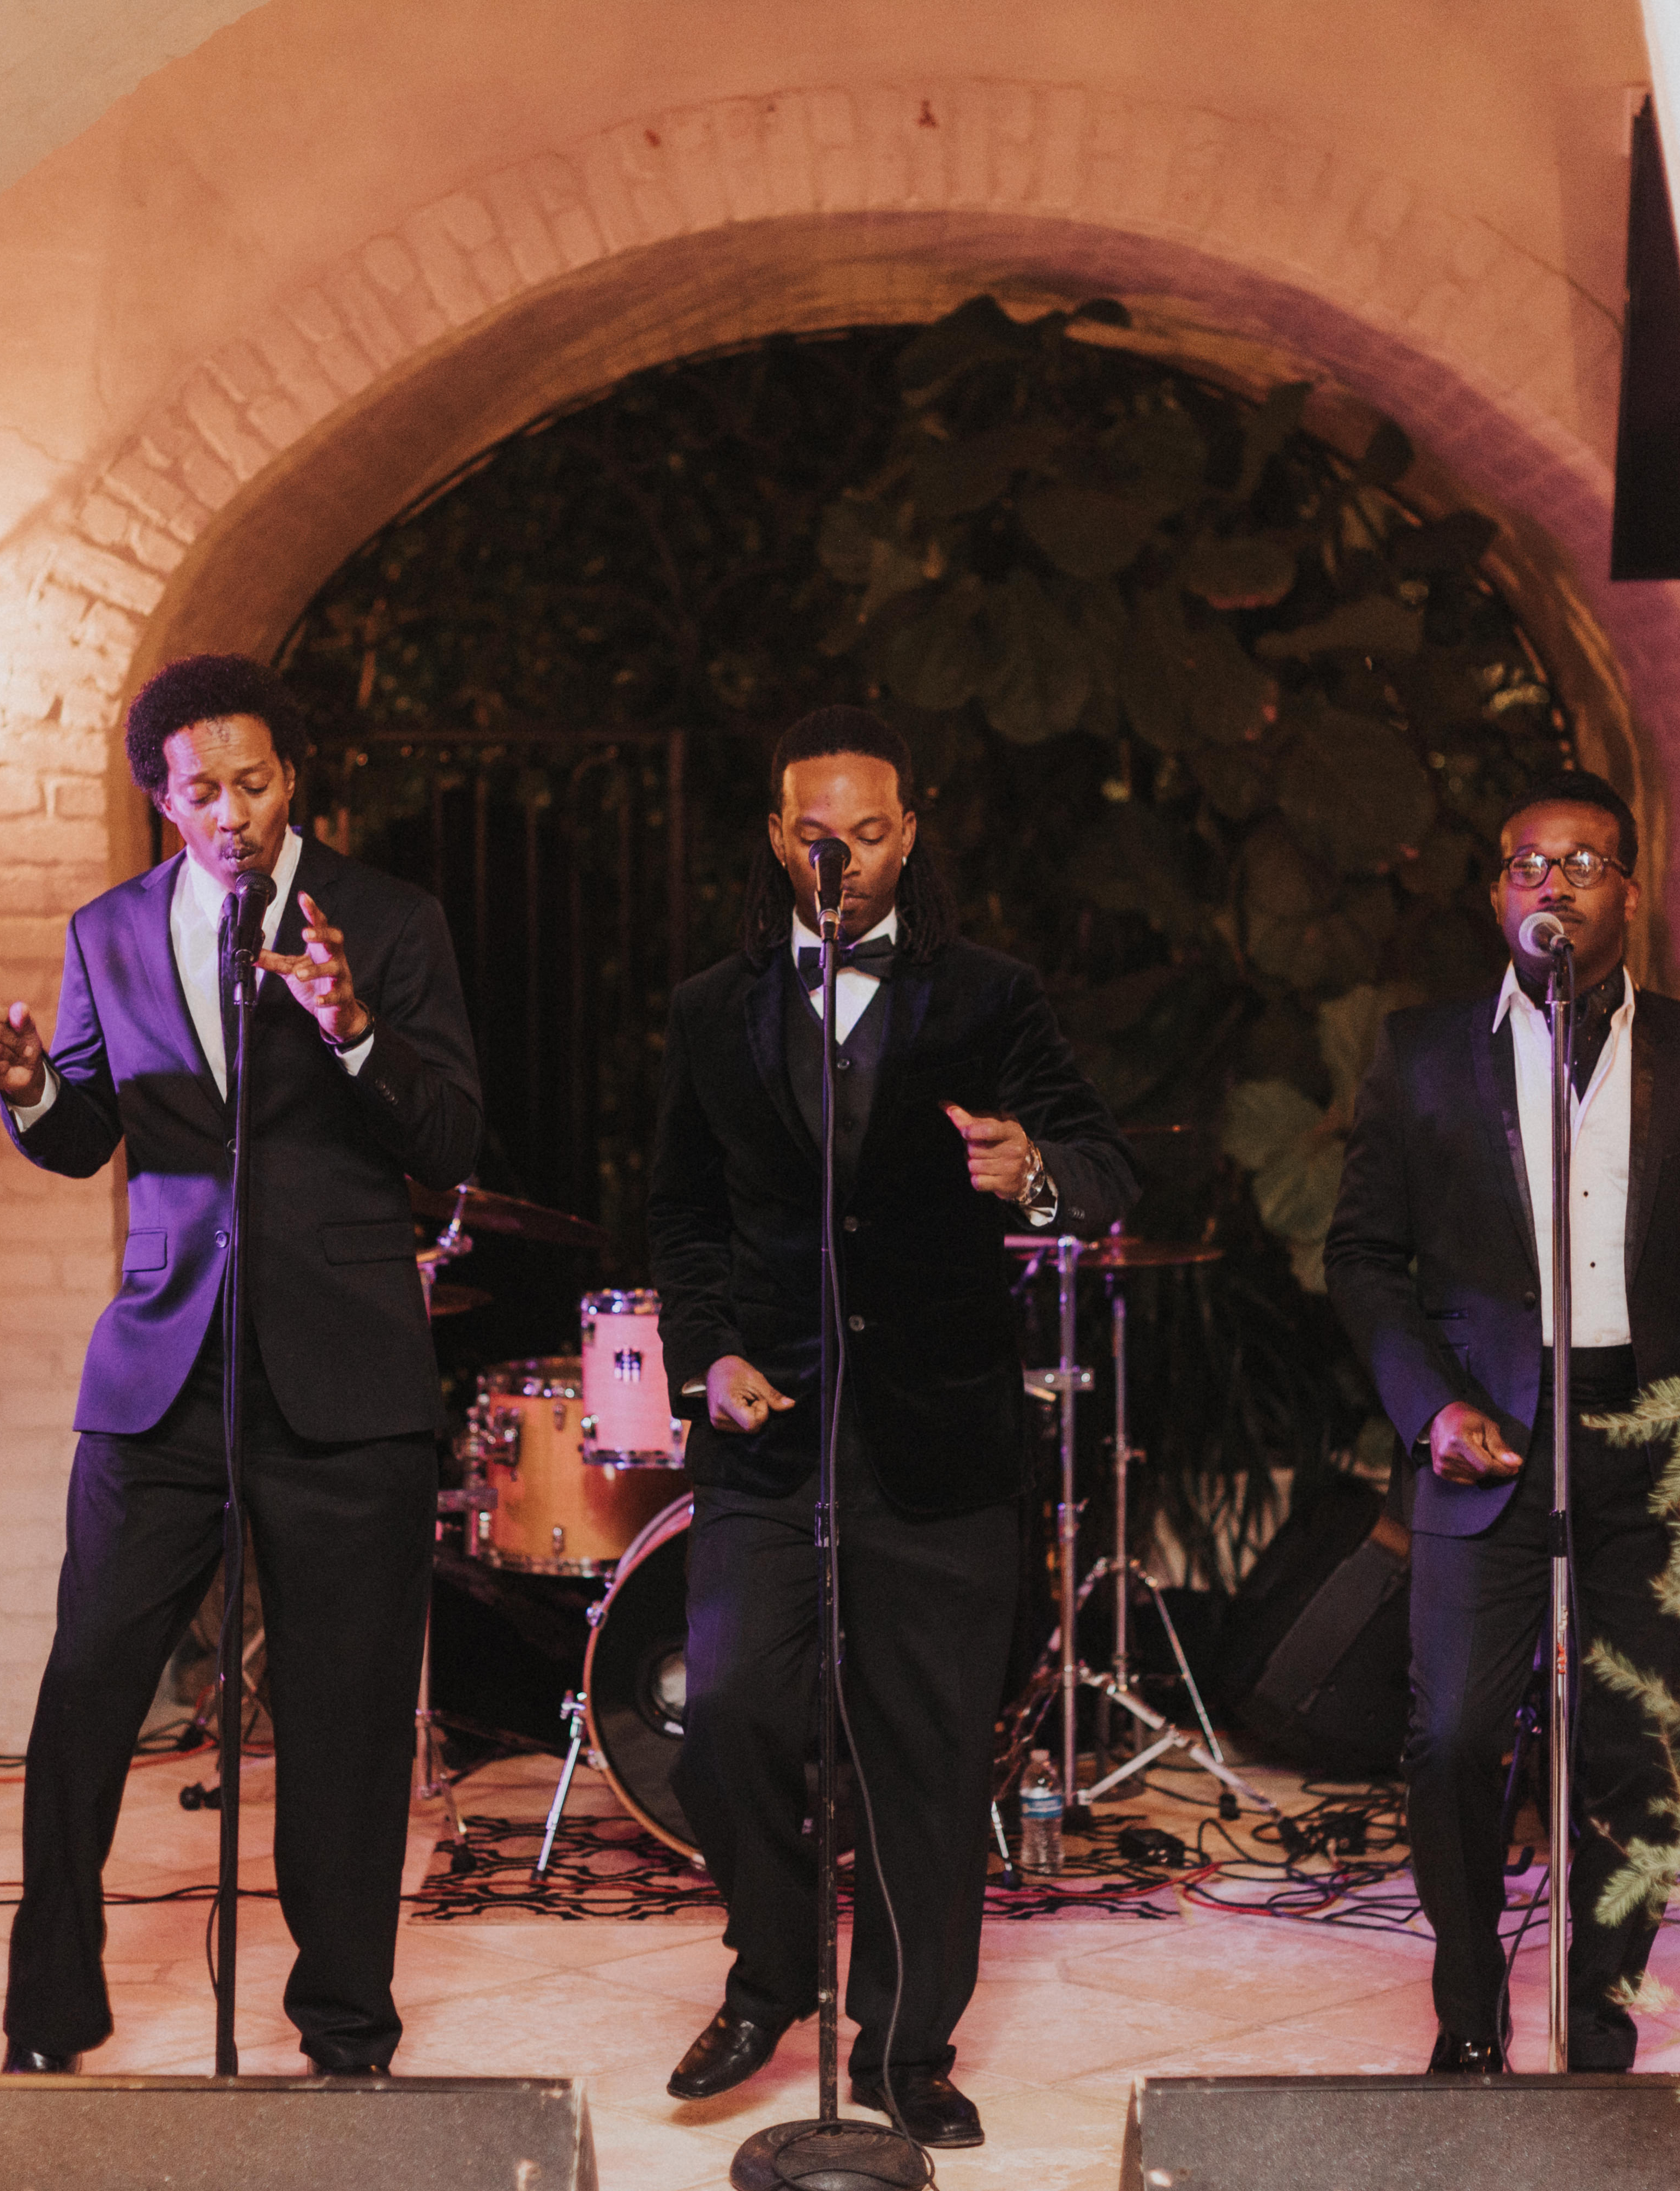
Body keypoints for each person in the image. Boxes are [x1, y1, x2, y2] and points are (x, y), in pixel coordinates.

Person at [0, 654, 481, 2075]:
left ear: (291, 777)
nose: (233, 811)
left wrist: (352, 1028)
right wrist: (28, 1084)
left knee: (345, 1716)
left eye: (255, 782)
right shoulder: (108, 931)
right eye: (204, 790)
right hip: (162, 1368)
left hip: (346, 1372)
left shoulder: (386, 919)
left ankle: (344, 2025)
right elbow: (85, 1135)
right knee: (86, 1687)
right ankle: (50, 2012)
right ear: (162, 798)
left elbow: (450, 1137)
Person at [648, 706, 1136, 2148]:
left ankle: (907, 2044)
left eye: (867, 834)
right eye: (817, 836)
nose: (842, 859)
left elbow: (1104, 1168)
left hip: (939, 1437)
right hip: (770, 1434)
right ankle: (772, 1972)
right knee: (725, 1718)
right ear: (776, 839)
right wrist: (707, 1349)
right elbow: (681, 1215)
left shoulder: (989, 997)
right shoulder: (712, 1009)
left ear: (908, 836)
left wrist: (1034, 1170)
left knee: (924, 1754)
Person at [1323, 768, 1680, 2075]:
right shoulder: (1421, 1051)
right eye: (1526, 865)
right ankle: (1467, 1999)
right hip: (1479, 1427)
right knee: (1450, 1732)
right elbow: (1361, 1255)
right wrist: (1430, 1404)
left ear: (1628, 895)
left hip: (1645, 1429)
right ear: (1498, 893)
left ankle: (1598, 2004)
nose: (1551, 884)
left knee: (1633, 1740)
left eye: (1581, 864)